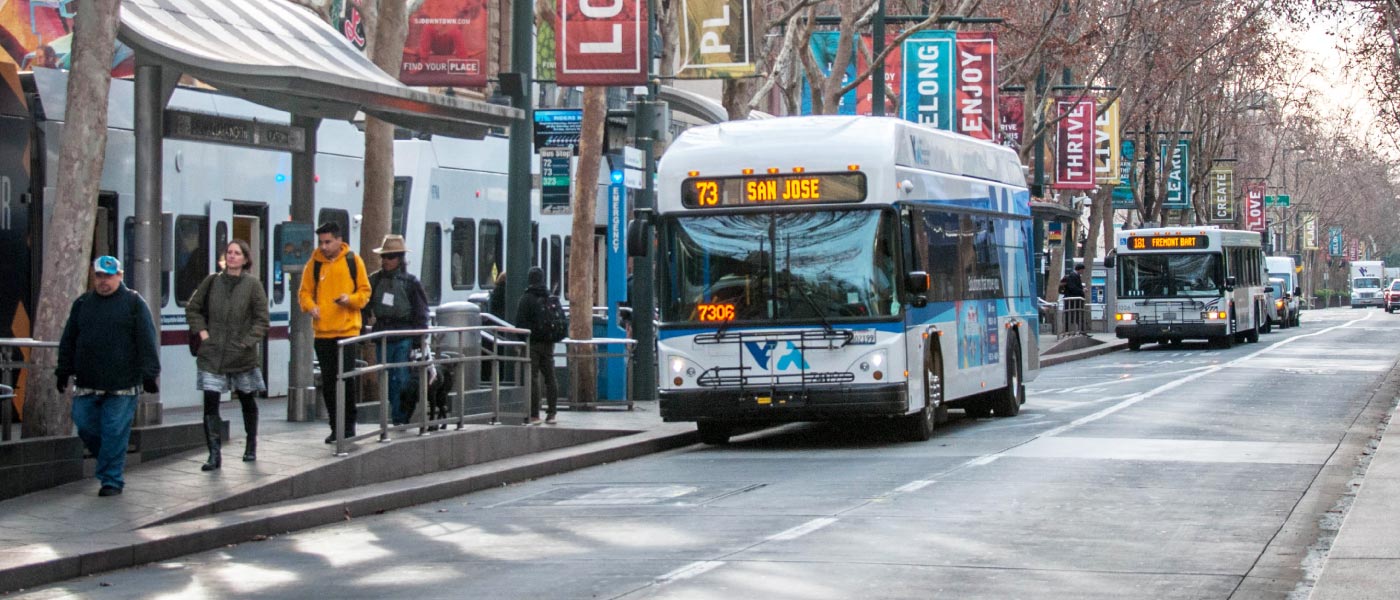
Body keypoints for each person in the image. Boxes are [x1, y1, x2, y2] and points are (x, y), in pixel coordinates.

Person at [54, 256, 160, 497]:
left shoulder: (134, 303)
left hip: (122, 386)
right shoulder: (82, 303)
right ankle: (109, 463)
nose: (103, 281)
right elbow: (69, 340)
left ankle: (111, 480)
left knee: (113, 431)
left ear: (120, 276)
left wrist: (149, 375)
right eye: (99, 276)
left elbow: (147, 340)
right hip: (87, 383)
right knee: (85, 426)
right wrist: (63, 371)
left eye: (109, 276)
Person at [186, 240, 269, 470]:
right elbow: (192, 308)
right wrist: (203, 335)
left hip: (242, 355)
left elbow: (262, 319)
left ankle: (250, 444)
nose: (232, 257)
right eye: (229, 253)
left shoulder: (253, 285)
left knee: (246, 399)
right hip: (212, 354)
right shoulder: (212, 281)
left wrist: (246, 342)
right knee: (210, 403)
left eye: (237, 253)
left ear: (245, 259)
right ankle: (214, 454)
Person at [298, 222, 371, 443]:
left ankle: (348, 426)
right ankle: (335, 426)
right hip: (322, 333)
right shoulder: (314, 264)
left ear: (339, 240)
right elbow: (304, 293)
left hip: (347, 331)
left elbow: (365, 292)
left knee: (346, 380)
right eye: (321, 242)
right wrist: (312, 307)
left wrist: (350, 300)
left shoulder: (353, 260)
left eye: (328, 242)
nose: (324, 246)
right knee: (329, 382)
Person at [365, 235, 429, 425]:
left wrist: (418, 338)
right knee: (385, 378)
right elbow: (364, 306)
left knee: (400, 377)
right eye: (384, 257)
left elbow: (421, 312)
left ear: (400, 258)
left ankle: (401, 415)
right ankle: (396, 415)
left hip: (403, 335)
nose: (386, 260)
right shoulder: (374, 280)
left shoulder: (410, 283)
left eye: (391, 257)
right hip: (383, 334)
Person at [513, 267, 558, 425]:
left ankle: (534, 414)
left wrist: (525, 339)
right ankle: (552, 413)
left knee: (533, 378)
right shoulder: (549, 297)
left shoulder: (526, 299)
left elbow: (519, 323)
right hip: (548, 344)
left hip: (532, 343)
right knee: (550, 377)